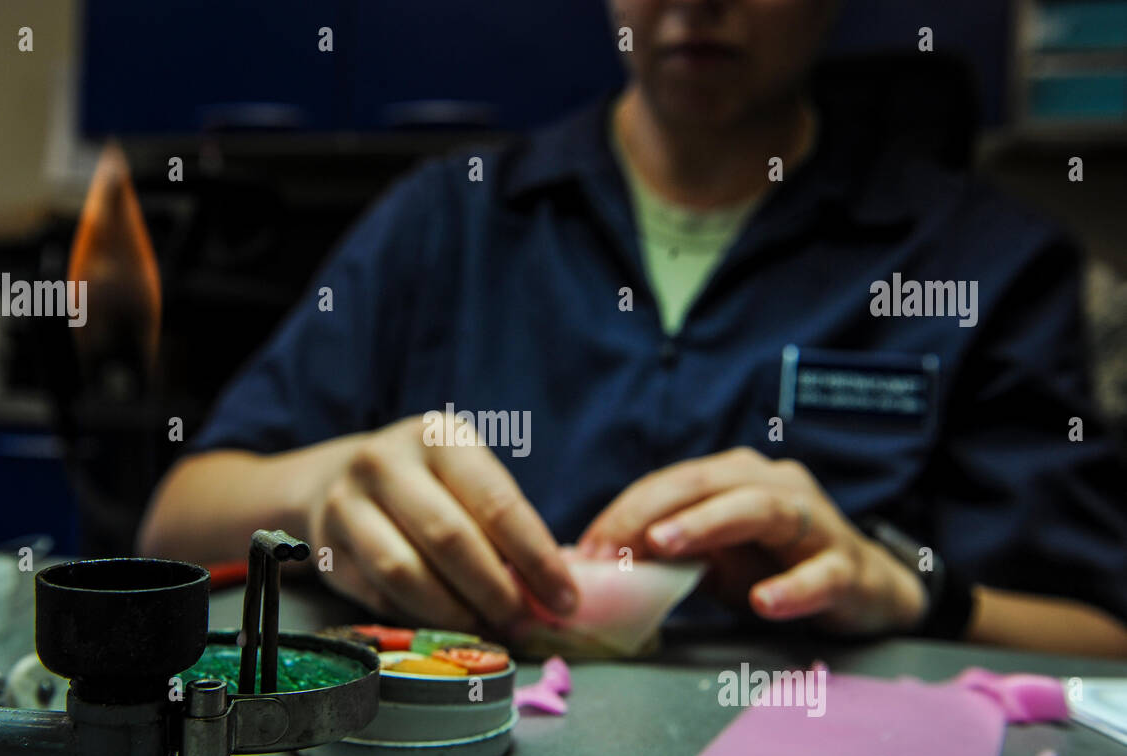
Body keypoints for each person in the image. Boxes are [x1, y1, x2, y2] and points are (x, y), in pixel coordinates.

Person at [139, 0, 1127, 657]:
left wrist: (916, 590)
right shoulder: (448, 219)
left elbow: (1102, 636)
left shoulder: (983, 263)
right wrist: (321, 492)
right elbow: (176, 519)